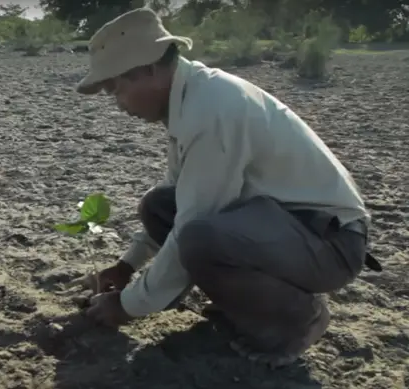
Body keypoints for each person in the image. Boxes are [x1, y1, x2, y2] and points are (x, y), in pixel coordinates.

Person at [74, 7, 381, 368]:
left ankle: (301, 317)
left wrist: (127, 306)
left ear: (149, 71)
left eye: (116, 90)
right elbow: (181, 196)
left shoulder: (213, 109)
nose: (118, 105)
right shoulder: (191, 100)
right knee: (159, 205)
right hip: (283, 227)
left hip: (330, 244)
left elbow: (193, 221)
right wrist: (127, 266)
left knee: (200, 237)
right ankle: (241, 303)